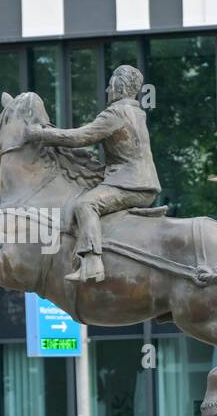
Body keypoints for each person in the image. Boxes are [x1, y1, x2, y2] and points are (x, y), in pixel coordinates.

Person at [25, 64, 161, 283]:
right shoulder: (136, 112)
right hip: (141, 183)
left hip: (130, 185)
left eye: (110, 86)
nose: (107, 91)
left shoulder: (116, 113)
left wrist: (42, 134)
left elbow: (80, 137)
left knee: (85, 204)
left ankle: (92, 263)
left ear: (119, 86)